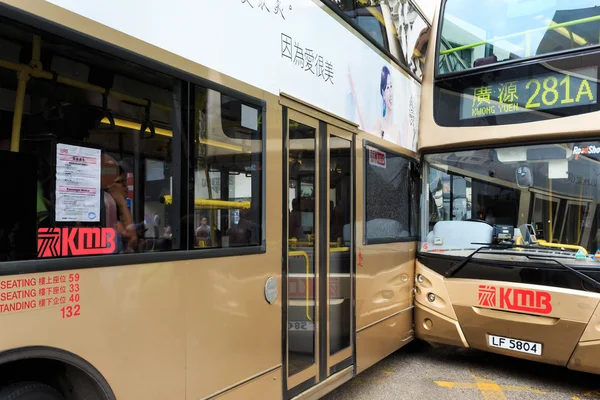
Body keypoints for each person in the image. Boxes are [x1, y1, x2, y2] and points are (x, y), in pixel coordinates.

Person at [101, 154, 138, 252]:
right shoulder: (105, 211)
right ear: (109, 186)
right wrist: (122, 203)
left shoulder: (116, 212)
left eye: (125, 181)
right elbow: (132, 238)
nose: (126, 185)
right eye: (120, 181)